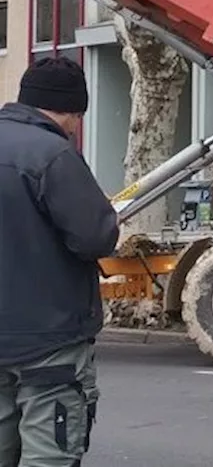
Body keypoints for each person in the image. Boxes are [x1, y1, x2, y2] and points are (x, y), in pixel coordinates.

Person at [0, 56, 119, 467]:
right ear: (70, 110)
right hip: (48, 341)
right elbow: (96, 237)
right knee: (48, 455)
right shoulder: (52, 155)